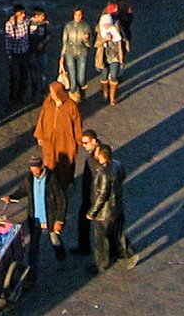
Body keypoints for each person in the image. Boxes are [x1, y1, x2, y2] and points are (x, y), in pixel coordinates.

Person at [10, 155, 70, 269]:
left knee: (55, 241)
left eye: (35, 169)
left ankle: (62, 259)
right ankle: (32, 269)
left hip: (50, 217)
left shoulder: (52, 180)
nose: (34, 172)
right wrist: (11, 196)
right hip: (35, 217)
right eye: (32, 170)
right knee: (34, 245)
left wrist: (59, 220)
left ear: (41, 166)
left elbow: (62, 200)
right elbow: (22, 190)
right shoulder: (29, 178)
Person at [86, 143, 137, 273]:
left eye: (97, 152)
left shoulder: (103, 173)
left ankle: (101, 264)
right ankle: (130, 254)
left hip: (104, 212)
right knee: (119, 233)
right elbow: (122, 177)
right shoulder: (117, 164)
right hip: (117, 208)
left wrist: (92, 212)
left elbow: (102, 195)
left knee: (101, 240)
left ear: (102, 155)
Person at [32, 81, 82, 174]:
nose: (51, 94)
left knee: (65, 163)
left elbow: (77, 124)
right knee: (49, 162)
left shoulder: (71, 106)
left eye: (52, 92)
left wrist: (78, 139)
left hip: (65, 140)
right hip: (49, 139)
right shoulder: (48, 103)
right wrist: (40, 135)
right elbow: (42, 119)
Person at [94, 13, 127, 104]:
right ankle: (105, 95)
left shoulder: (116, 30)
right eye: (104, 24)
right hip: (103, 57)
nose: (106, 26)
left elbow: (124, 39)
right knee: (104, 76)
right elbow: (96, 44)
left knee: (114, 76)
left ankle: (112, 97)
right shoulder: (100, 31)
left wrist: (124, 45)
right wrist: (105, 39)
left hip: (114, 57)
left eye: (107, 24)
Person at [58, 10, 93, 93]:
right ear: (73, 15)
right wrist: (62, 57)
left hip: (82, 52)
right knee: (72, 78)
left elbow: (90, 44)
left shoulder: (86, 26)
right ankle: (74, 97)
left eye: (79, 15)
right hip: (70, 52)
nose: (77, 17)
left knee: (81, 78)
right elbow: (64, 42)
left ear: (82, 16)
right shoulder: (68, 26)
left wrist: (86, 40)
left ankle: (82, 91)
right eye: (76, 15)